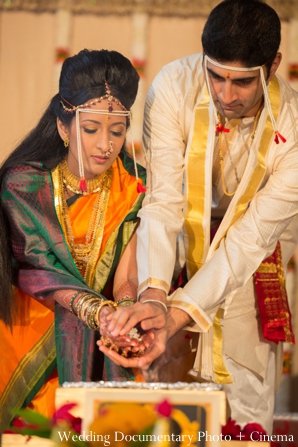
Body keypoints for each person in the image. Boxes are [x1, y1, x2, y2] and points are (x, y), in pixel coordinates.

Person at [99, 0, 298, 434]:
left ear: (273, 65)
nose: (225, 95)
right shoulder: (174, 85)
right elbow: (164, 199)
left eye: (242, 82)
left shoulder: (295, 127)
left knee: (245, 408)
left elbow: (250, 239)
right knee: (166, 408)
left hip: (250, 260)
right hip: (168, 250)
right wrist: (155, 296)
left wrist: (179, 314)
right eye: (216, 75)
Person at [0, 48, 162, 432]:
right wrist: (99, 312)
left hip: (103, 343)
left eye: (117, 131)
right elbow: (38, 268)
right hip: (32, 335)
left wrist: (124, 316)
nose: (106, 145)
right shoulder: (25, 185)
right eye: (91, 129)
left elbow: (126, 274)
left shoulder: (134, 188)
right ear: (63, 127)